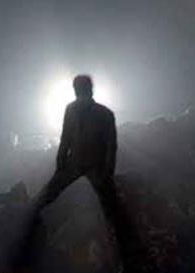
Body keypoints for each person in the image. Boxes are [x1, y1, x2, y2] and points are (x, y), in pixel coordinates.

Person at [33, 75, 134, 264]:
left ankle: (126, 246)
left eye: (78, 88)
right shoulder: (104, 113)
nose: (77, 91)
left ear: (80, 90)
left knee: (48, 195)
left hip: (84, 164)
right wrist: (106, 173)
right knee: (112, 207)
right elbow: (109, 146)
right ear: (90, 89)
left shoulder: (78, 110)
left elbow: (68, 140)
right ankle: (127, 246)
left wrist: (61, 164)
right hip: (87, 165)